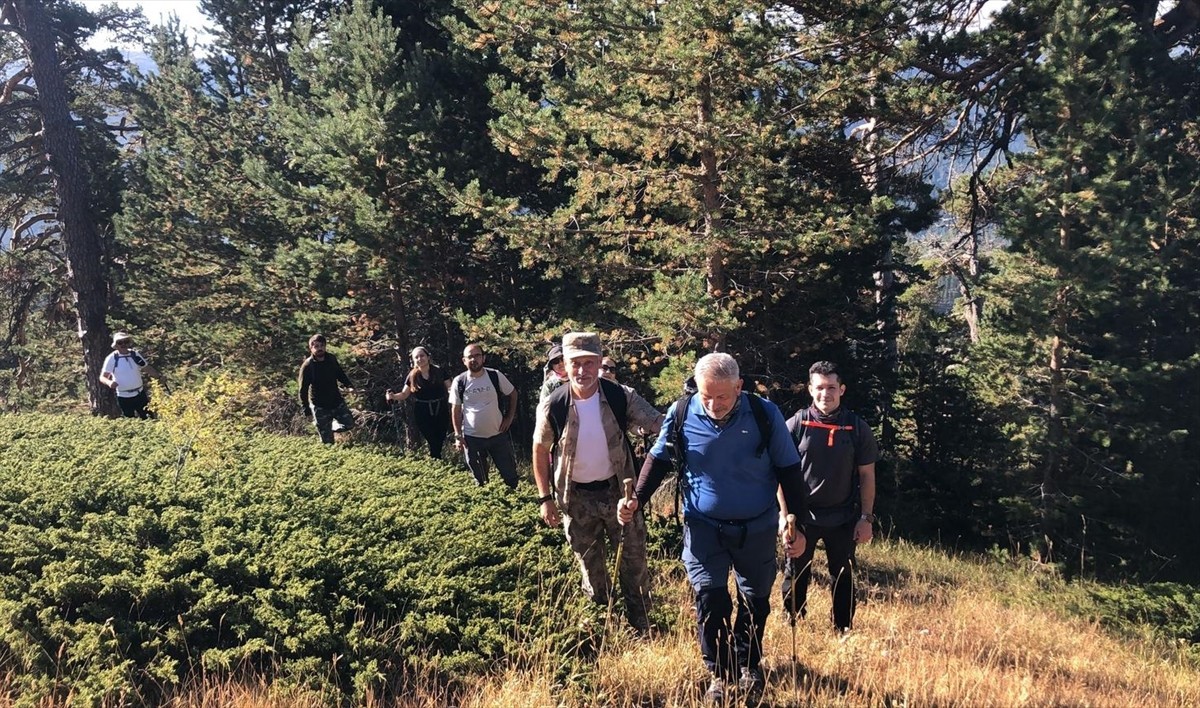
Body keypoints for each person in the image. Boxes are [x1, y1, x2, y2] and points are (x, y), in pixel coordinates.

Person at [619, 353, 807, 705]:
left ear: (738, 387)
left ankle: (749, 665)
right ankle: (720, 673)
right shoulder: (682, 412)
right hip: (704, 527)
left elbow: (789, 471)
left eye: (722, 396)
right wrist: (637, 501)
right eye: (706, 396)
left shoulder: (765, 415)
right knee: (710, 600)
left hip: (757, 527)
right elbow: (658, 460)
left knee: (754, 601)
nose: (713, 404)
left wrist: (800, 526)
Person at [533, 332, 664, 634]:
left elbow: (657, 422)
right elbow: (540, 450)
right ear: (564, 366)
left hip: (621, 495)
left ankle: (642, 626)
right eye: (575, 364)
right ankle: (603, 629)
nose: (583, 371)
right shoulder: (554, 404)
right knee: (591, 569)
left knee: (634, 564)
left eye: (589, 363)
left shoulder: (620, 396)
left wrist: (690, 417)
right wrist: (545, 499)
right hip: (576, 499)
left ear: (598, 362)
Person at [781, 361, 879, 634]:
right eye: (820, 388)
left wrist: (866, 518)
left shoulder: (857, 428)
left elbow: (867, 476)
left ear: (842, 389)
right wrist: (783, 516)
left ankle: (843, 630)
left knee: (844, 577)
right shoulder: (796, 425)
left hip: (844, 517)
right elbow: (779, 474)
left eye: (832, 387)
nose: (826, 394)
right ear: (810, 389)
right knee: (796, 574)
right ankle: (793, 626)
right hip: (802, 518)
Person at [449, 343, 520, 489]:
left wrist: (509, 418)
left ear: (484, 358)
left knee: (510, 476)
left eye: (477, 355)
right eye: (470, 357)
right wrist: (458, 436)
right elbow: (456, 409)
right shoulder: (459, 381)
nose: (474, 359)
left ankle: (517, 503)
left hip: (498, 435)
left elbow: (513, 394)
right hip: (472, 439)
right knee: (480, 480)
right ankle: (485, 502)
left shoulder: (495, 375)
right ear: (464, 360)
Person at [385, 346, 452, 458]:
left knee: (440, 437)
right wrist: (392, 396)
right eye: (416, 357)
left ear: (428, 357)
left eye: (422, 355)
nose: (420, 359)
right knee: (432, 439)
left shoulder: (440, 371)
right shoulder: (412, 376)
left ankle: (436, 462)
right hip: (422, 411)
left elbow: (450, 388)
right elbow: (404, 394)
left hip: (441, 409)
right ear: (413, 360)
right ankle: (436, 461)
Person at [298, 334, 356, 444]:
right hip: (320, 406)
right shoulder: (308, 366)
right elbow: (303, 390)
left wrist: (349, 386)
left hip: (336, 401)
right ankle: (326, 434)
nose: (319, 348)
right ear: (311, 348)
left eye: (322, 345)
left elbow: (340, 374)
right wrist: (307, 410)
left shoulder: (331, 359)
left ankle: (331, 427)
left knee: (349, 424)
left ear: (325, 346)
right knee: (327, 442)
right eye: (316, 346)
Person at [99, 331, 162, 419]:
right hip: (124, 397)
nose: (123, 344)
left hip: (140, 394)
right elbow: (103, 377)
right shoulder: (112, 358)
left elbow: (146, 368)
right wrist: (109, 382)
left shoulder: (134, 354)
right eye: (120, 342)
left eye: (126, 341)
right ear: (116, 345)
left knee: (149, 419)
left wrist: (159, 377)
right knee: (130, 421)